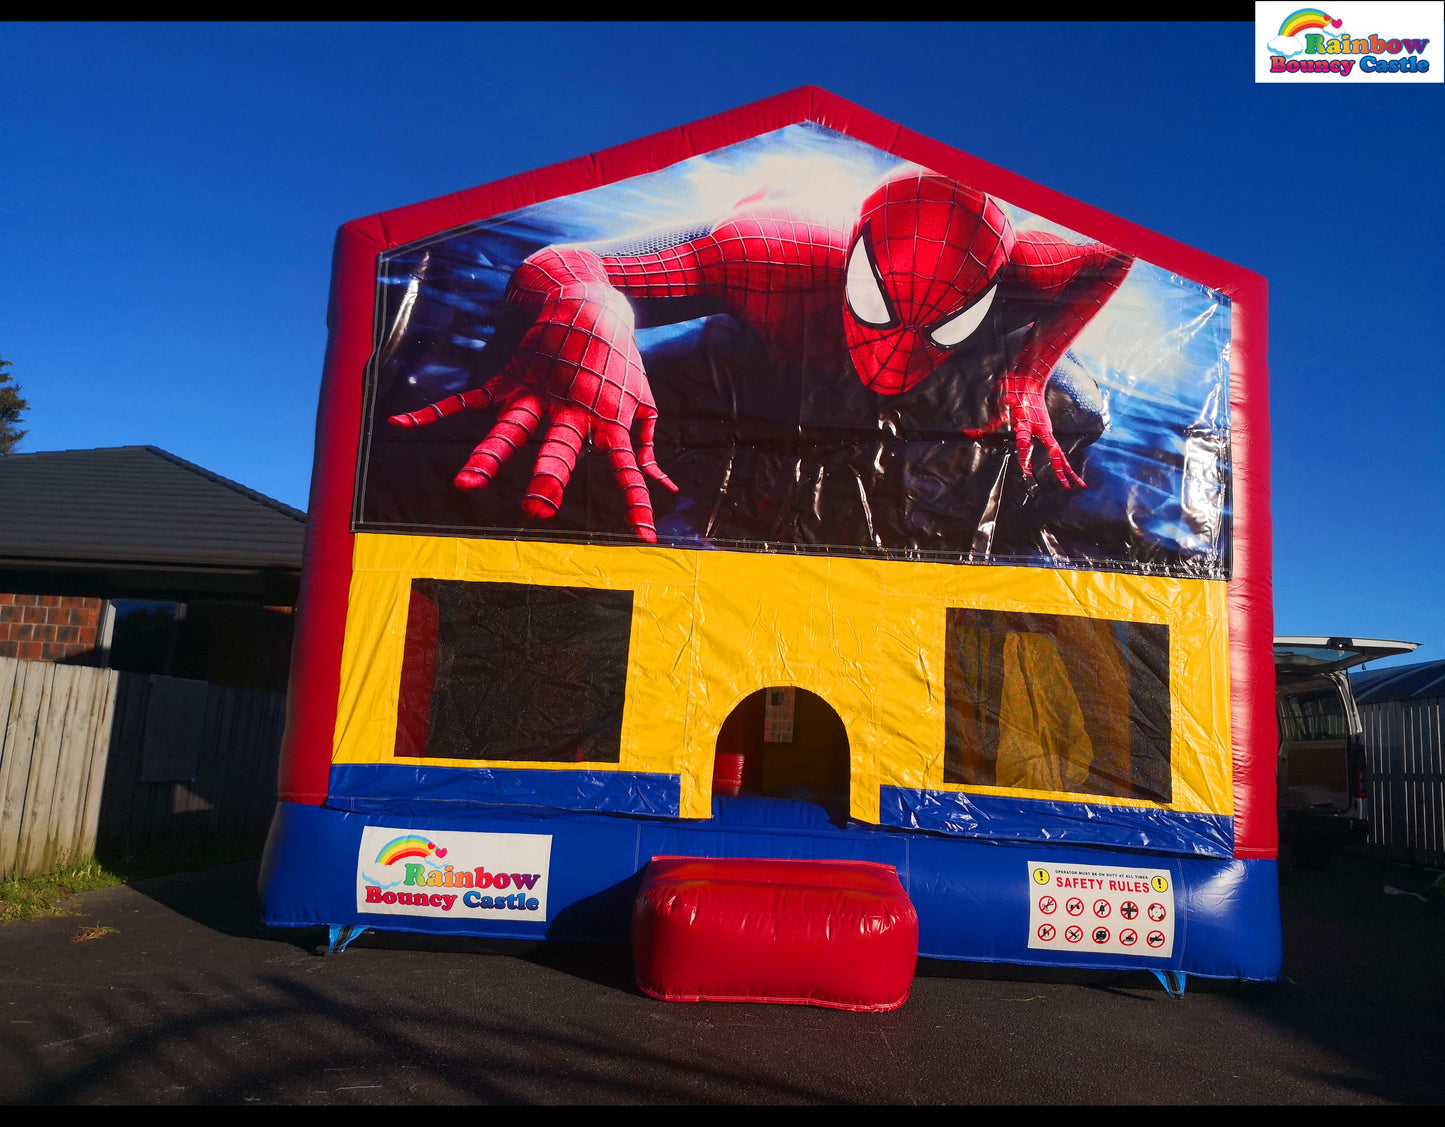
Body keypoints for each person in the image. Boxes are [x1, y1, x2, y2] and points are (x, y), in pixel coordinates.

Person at [389, 168, 1133, 545]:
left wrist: (1030, 371)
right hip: (766, 333)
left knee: (1081, 407)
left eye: (938, 323)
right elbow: (564, 264)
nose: (895, 358)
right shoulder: (770, 254)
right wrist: (597, 321)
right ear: (852, 262)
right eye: (882, 309)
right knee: (596, 403)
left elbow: (1109, 256)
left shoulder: (1034, 265)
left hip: (957, 358)